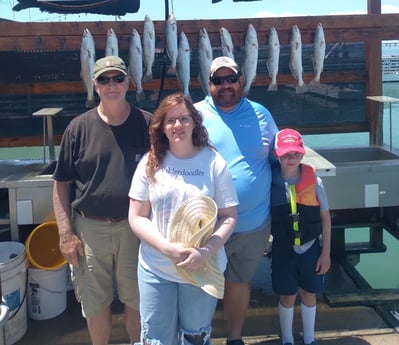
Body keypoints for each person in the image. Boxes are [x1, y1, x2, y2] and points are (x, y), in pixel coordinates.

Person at [52, 56, 151, 345]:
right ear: (95, 84)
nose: (111, 85)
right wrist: (65, 233)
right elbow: (61, 185)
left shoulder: (147, 124)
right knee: (95, 303)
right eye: (104, 79)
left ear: (128, 83)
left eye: (117, 78)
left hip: (136, 228)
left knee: (138, 297)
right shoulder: (78, 128)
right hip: (89, 230)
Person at [128, 93, 238, 345]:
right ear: (161, 127)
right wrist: (166, 248)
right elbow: (136, 217)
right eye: (170, 121)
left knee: (195, 336)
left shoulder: (214, 162)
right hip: (156, 269)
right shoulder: (149, 163)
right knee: (155, 339)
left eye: (184, 119)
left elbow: (229, 216)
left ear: (195, 122)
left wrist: (206, 251)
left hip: (202, 268)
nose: (177, 126)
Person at [194, 56, 279, 345]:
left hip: (252, 223)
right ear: (209, 84)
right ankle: (197, 336)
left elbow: (279, 154)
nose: (226, 85)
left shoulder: (261, 113)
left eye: (231, 78)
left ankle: (234, 338)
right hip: (207, 224)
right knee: (201, 283)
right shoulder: (194, 115)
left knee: (239, 281)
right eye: (219, 80)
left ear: (242, 80)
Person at [270, 128, 331, 345]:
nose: (291, 158)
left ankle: (310, 339)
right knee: (286, 295)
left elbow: (325, 217)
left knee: (309, 292)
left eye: (296, 153)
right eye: (286, 154)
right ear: (277, 154)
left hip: (311, 248)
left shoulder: (314, 181)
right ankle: (287, 339)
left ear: (302, 154)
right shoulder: (269, 183)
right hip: (283, 249)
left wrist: (326, 253)